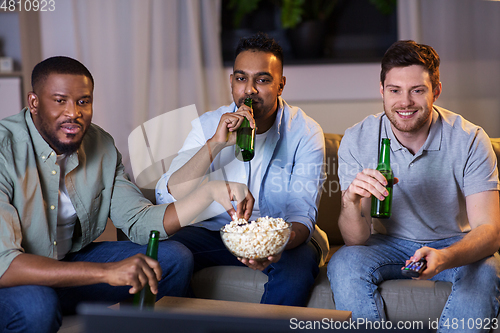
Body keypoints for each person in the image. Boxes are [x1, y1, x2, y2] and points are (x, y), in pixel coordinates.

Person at [0, 56, 253, 332]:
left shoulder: (101, 145)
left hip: (67, 263)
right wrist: (108, 272)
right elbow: (5, 264)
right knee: (38, 305)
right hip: (14, 280)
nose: (73, 112)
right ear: (34, 103)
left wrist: (207, 193)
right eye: (60, 101)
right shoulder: (5, 149)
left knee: (173, 259)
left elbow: (140, 221)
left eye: (83, 101)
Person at [327, 40, 500, 332]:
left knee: (487, 269)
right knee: (344, 262)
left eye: (417, 91)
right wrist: (350, 201)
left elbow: (489, 231)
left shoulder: (470, 139)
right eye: (395, 90)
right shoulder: (358, 138)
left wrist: (445, 256)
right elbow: (355, 240)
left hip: (453, 243)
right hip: (388, 245)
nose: (405, 102)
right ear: (382, 91)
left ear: (436, 91)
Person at [155, 32, 328, 306]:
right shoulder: (209, 124)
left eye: (262, 80)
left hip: (276, 236)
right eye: (240, 78)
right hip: (215, 233)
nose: (249, 90)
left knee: (297, 266)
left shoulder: (305, 132)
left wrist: (269, 244)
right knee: (164, 255)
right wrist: (214, 144)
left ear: (281, 85)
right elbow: (168, 195)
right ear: (231, 82)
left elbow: (302, 215)